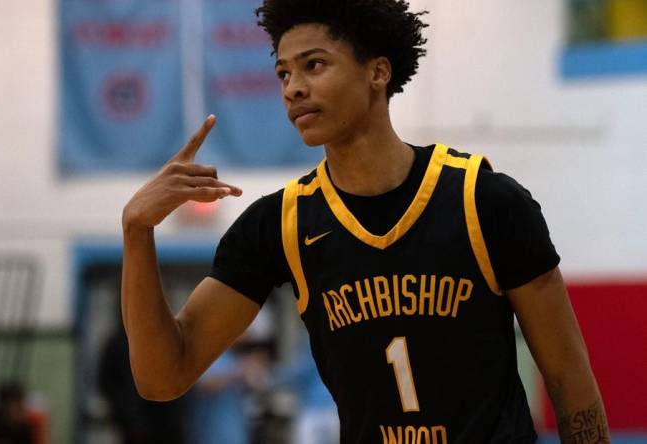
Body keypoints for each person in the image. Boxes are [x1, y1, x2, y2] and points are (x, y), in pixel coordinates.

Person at [120, 1, 610, 442]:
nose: (293, 88)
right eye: (283, 74)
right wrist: (137, 233)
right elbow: (164, 376)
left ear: (377, 72)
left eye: (313, 65)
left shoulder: (485, 200)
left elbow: (568, 375)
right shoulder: (279, 223)